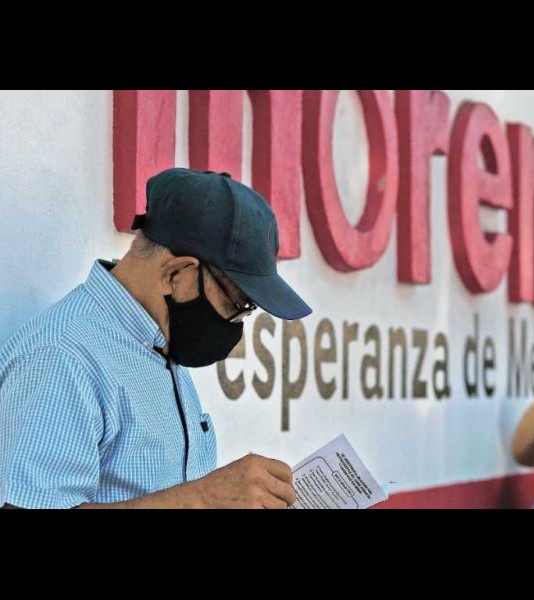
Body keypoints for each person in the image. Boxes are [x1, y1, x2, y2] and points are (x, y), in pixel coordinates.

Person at [0, 168, 312, 509]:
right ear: (176, 273)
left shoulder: (158, 342)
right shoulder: (63, 356)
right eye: (237, 305)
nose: (236, 323)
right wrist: (204, 499)